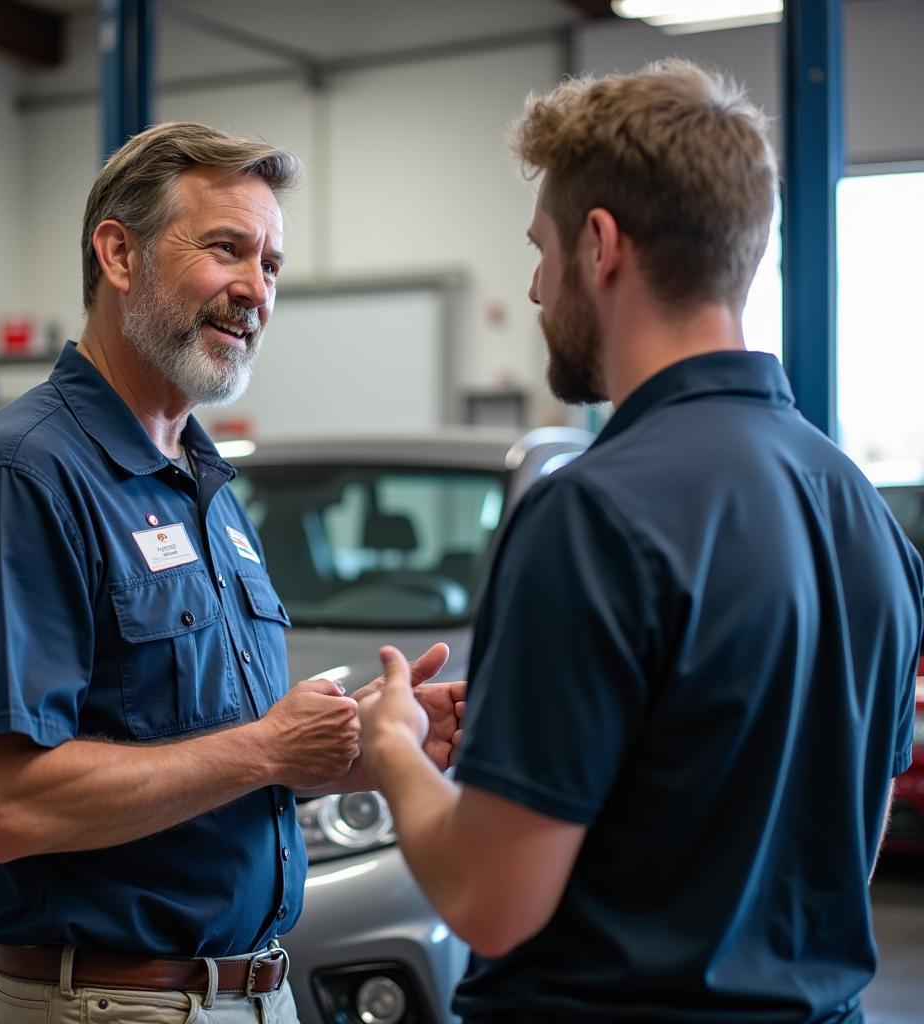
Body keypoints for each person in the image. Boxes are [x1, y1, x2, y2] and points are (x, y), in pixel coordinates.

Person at [359, 60, 924, 1024]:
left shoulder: (591, 516)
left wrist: (396, 748)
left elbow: (490, 902)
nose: (536, 288)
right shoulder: (863, 515)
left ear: (601, 243)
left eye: (540, 249)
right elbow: (842, 845)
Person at [0, 121, 463, 1024]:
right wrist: (269, 747)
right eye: (226, 249)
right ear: (118, 254)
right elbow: (8, 805)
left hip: (253, 994)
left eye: (273, 264)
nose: (256, 291)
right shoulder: (22, 478)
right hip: (108, 1004)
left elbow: (201, 754)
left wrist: (358, 748)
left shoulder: (202, 487)